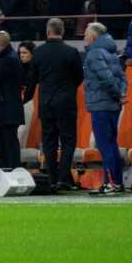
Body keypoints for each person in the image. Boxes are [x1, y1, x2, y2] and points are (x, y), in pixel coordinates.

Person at [30, 18, 83, 190]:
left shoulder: (38, 52)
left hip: (46, 102)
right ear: (62, 31)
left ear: (47, 32)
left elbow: (34, 77)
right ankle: (63, 179)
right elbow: (79, 77)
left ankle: (52, 179)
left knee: (49, 142)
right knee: (68, 141)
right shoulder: (71, 52)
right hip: (66, 102)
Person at [82, 22, 128, 195]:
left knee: (105, 145)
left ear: (92, 37)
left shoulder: (94, 53)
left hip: (101, 105)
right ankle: (117, 182)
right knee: (111, 144)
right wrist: (121, 95)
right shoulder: (111, 53)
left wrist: (117, 95)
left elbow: (106, 79)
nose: (84, 38)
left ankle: (109, 183)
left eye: (86, 34)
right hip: (113, 106)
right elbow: (122, 78)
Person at [0, 31, 23, 169]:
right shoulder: (4, 58)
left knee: (8, 143)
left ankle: (12, 171)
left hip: (7, 110)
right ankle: (7, 171)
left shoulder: (8, 60)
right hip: (3, 110)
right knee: (3, 143)